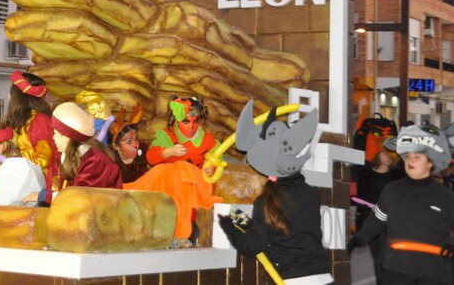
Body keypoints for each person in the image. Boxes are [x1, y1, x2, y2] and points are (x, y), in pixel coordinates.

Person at [218, 101, 333, 284]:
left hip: (295, 280)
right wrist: (236, 216)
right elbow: (279, 227)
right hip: (323, 276)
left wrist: (227, 225)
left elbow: (251, 245)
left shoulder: (266, 201)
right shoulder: (310, 193)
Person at [347, 124, 454, 285]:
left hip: (435, 272)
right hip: (397, 270)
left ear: (429, 163)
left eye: (417, 157)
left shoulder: (445, 196)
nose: (410, 160)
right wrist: (359, 238)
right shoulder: (391, 190)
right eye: (407, 156)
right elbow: (376, 220)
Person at [24, 101, 122, 205]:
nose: (53, 138)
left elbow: (80, 198)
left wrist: (44, 196)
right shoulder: (73, 158)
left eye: (55, 134)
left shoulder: (95, 162)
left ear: (67, 138)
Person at [351, 148, 402, 284]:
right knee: (377, 256)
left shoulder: (397, 176)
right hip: (371, 220)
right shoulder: (366, 173)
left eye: (391, 155)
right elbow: (356, 155)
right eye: (384, 153)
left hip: (391, 221)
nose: (387, 157)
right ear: (378, 153)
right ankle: (381, 281)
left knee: (389, 256)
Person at [5, 70, 58, 189]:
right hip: (22, 179)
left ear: (19, 96)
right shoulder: (20, 120)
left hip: (38, 184)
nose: (9, 96)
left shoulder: (39, 120)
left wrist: (15, 156)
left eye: (11, 92)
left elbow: (43, 160)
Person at [146, 95, 219, 176]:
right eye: (185, 122)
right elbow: (150, 158)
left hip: (195, 181)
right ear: (176, 121)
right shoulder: (168, 135)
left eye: (195, 122)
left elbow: (217, 161)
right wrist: (167, 152)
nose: (191, 127)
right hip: (170, 181)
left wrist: (210, 168)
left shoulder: (207, 140)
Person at [109, 106, 148, 183]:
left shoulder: (143, 149)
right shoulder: (112, 163)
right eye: (129, 142)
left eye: (136, 138)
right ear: (116, 146)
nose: (135, 144)